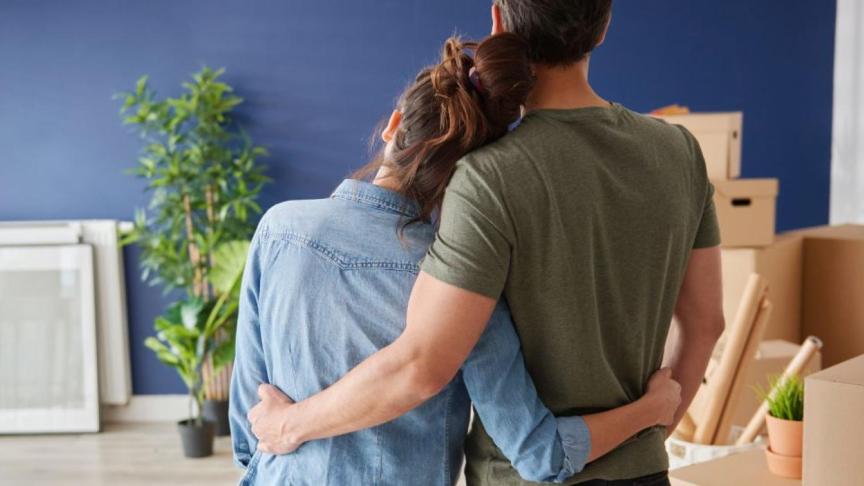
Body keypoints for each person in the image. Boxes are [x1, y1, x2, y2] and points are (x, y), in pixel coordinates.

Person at [247, 1, 725, 484]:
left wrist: (288, 425)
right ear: (603, 29)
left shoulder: (486, 176)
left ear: (498, 19)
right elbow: (706, 323)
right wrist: (652, 422)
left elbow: (422, 364)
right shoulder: (680, 151)